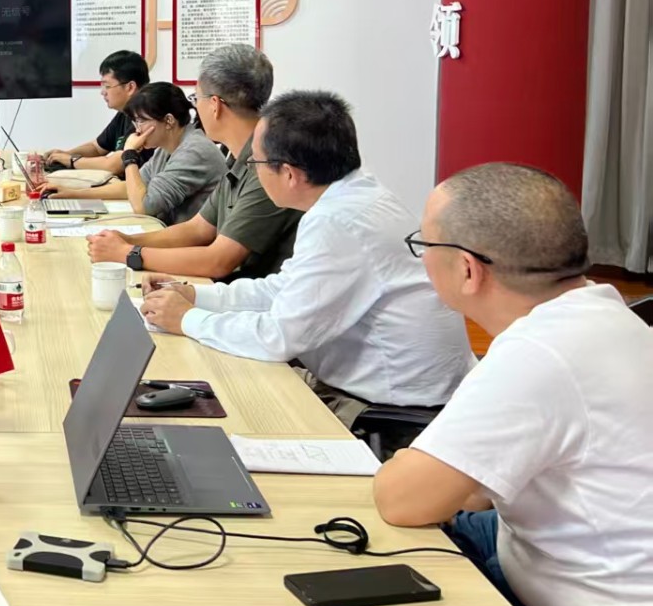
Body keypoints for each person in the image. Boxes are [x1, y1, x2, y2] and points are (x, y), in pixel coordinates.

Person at [373, 163, 653, 606]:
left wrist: (421, 473)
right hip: (556, 565)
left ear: (467, 268)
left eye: (424, 245)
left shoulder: (540, 353)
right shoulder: (605, 317)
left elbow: (401, 500)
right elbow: (473, 488)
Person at [141, 91, 472, 422]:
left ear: (288, 173)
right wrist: (197, 296)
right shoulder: (356, 194)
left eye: (255, 163)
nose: (254, 172)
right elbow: (284, 288)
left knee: (238, 408)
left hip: (389, 409)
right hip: (407, 390)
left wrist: (187, 319)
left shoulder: (336, 221)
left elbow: (279, 338)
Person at [89, 44, 300, 281]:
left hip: (250, 293)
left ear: (215, 105)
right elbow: (198, 229)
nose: (195, 107)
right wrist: (126, 240)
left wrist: (128, 253)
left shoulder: (267, 165)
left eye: (196, 98)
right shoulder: (238, 157)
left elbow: (218, 261)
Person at [45, 82, 224, 218]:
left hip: (194, 248)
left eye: (141, 121)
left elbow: (143, 207)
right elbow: (131, 188)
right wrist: (71, 194)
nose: (137, 129)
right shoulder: (166, 149)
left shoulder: (194, 151)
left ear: (169, 121)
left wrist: (129, 155)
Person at [44, 50, 149, 171]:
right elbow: (97, 148)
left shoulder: (146, 118)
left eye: (107, 86)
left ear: (130, 87)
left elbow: (115, 165)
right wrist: (64, 154)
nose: (102, 92)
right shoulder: (124, 113)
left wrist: (70, 160)